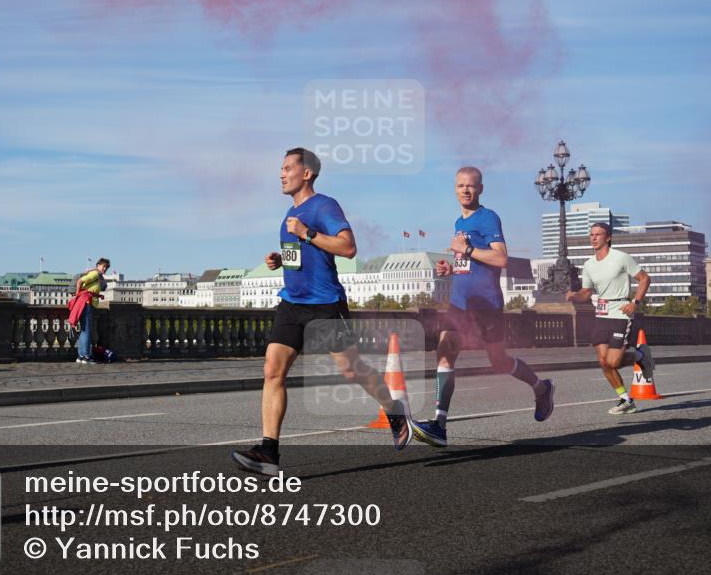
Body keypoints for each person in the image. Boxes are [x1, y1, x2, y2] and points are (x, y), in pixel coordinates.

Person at [231, 148, 413, 476]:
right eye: (281, 168)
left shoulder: (324, 206)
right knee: (272, 370)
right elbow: (303, 256)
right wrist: (280, 260)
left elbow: (348, 247)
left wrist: (307, 233)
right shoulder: (290, 213)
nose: (281, 174)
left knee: (351, 370)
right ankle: (269, 452)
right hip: (292, 303)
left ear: (307, 173)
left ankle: (394, 410)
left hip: (325, 305)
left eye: (287, 168)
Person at [410, 167, 555, 448]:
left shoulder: (488, 217)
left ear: (480, 189)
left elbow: (501, 259)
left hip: (486, 305)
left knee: (499, 362)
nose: (466, 190)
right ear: (455, 189)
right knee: (444, 354)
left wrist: (466, 249)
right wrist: (451, 268)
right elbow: (471, 265)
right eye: (461, 185)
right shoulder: (459, 222)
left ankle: (541, 388)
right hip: (459, 304)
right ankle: (439, 425)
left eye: (471, 186)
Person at [566, 223, 654, 415]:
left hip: (621, 313)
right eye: (591, 234)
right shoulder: (589, 265)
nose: (593, 238)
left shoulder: (620, 257)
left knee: (613, 362)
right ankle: (625, 399)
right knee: (603, 362)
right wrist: (575, 295)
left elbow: (645, 278)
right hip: (601, 314)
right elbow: (586, 292)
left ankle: (640, 357)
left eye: (598, 234)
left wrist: (635, 303)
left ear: (608, 238)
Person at [75, 258, 109, 364]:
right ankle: (86, 356)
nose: (104, 269)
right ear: (98, 265)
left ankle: (81, 356)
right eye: (103, 266)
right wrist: (77, 295)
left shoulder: (96, 274)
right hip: (87, 303)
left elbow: (97, 288)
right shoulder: (95, 273)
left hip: (86, 303)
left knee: (84, 330)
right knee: (87, 331)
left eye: (106, 267)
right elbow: (80, 281)